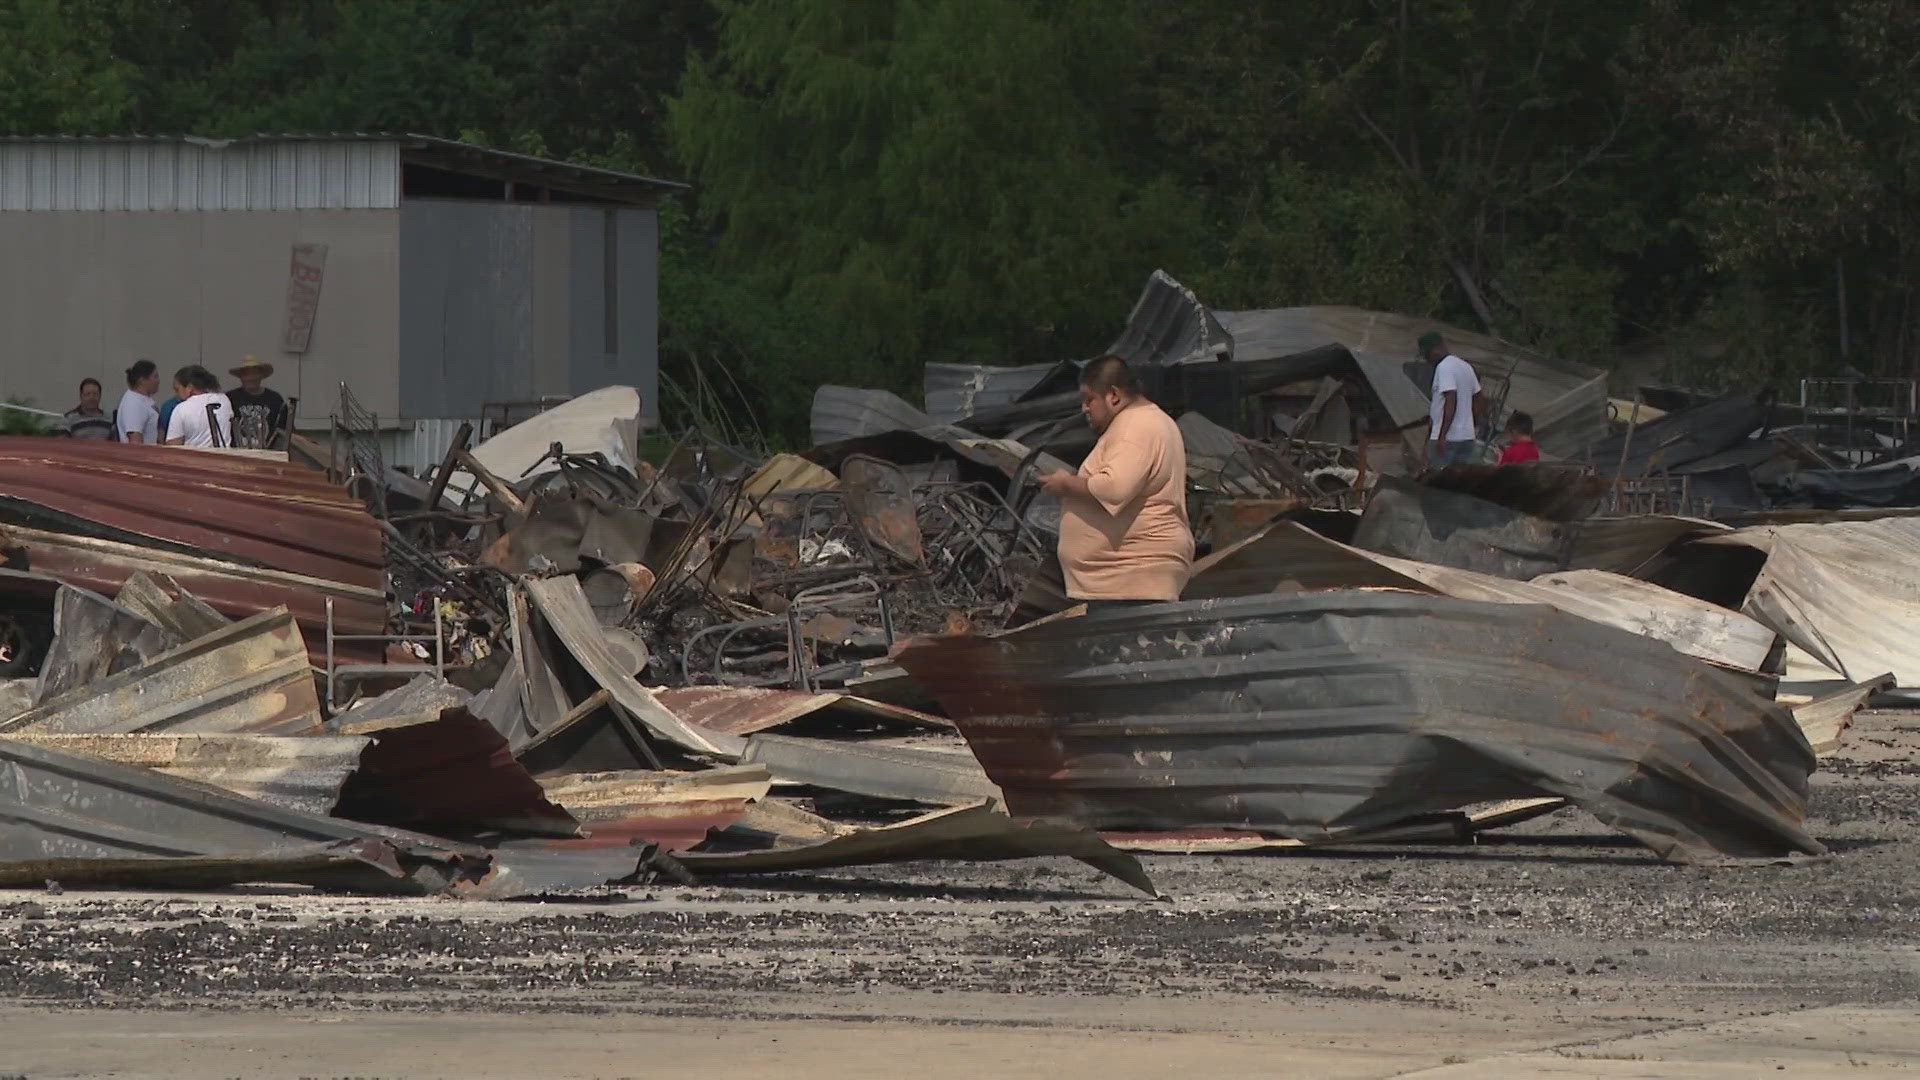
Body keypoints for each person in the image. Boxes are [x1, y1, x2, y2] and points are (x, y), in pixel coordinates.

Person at [1037, 355, 1195, 611]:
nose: (1084, 409)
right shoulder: (1144, 423)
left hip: (1131, 579)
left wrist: (1066, 484)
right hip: (1124, 580)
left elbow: (1114, 488)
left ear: (1113, 395)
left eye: (1089, 399)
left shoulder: (1135, 427)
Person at [1419, 330, 1484, 468]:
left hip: (1448, 439)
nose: (1426, 359)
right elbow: (1479, 398)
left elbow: (1450, 400)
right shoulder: (1465, 366)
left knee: (1438, 482)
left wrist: (1442, 436)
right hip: (1467, 437)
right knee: (1459, 482)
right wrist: (1471, 423)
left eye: (1426, 354)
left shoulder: (1444, 368)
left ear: (1434, 350)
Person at [226, 355, 287, 449]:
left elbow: (285, 430)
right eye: (246, 374)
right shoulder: (230, 398)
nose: (250, 378)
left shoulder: (275, 399)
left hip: (268, 454)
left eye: (254, 374)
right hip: (237, 454)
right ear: (241, 377)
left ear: (261, 376)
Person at [164, 365, 233, 448]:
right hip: (224, 457)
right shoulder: (224, 400)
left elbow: (173, 445)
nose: (176, 394)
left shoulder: (181, 408)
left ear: (190, 387)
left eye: (177, 389)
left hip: (194, 458)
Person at [116, 360, 162, 445]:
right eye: (155, 376)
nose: (158, 380)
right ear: (142, 380)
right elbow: (135, 438)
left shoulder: (144, 400)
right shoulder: (133, 403)